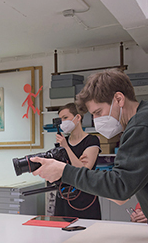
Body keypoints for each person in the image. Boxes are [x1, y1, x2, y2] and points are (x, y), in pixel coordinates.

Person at [31, 69, 148, 219]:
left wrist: (64, 172)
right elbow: (121, 195)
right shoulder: (141, 120)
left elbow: (120, 188)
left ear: (119, 99)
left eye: (98, 112)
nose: (96, 120)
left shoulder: (140, 126)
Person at [54, 103, 101, 219]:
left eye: (65, 118)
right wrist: (74, 161)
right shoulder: (61, 144)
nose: (63, 122)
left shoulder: (91, 141)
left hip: (84, 198)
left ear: (78, 117)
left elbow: (82, 171)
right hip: (64, 197)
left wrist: (66, 148)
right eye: (60, 119)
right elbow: (57, 170)